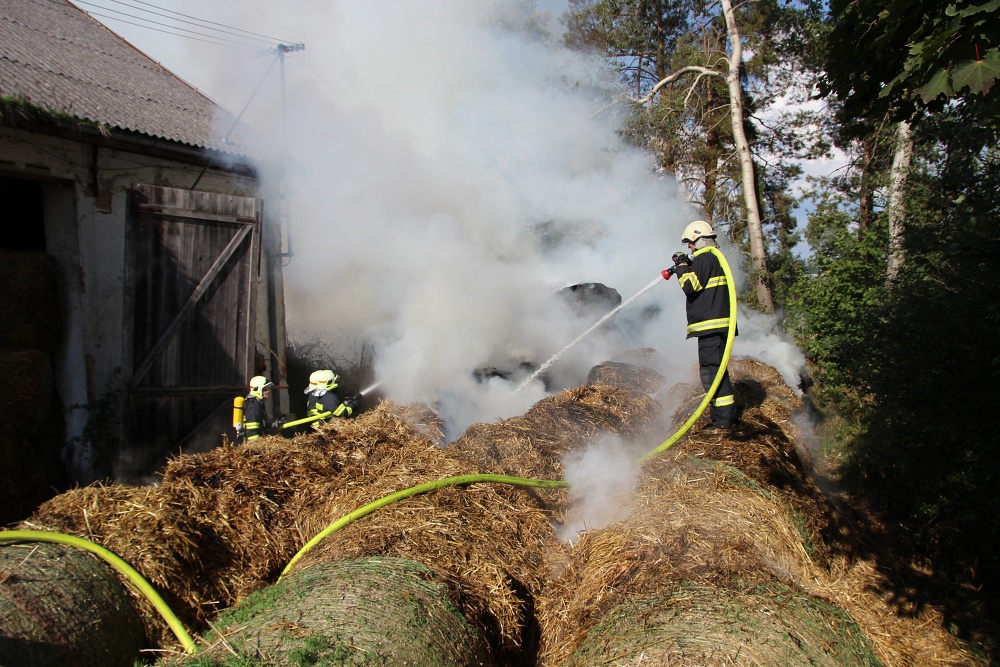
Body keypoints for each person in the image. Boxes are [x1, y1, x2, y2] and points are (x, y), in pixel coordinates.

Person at [665, 220, 738, 430]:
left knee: (713, 373)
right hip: (714, 327)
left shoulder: (706, 258)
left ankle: (725, 421)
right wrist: (686, 266)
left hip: (711, 327)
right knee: (712, 371)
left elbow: (690, 286)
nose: (689, 247)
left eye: (690, 242)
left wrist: (680, 266)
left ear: (698, 238)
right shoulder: (711, 260)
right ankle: (720, 416)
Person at [239, 375, 284, 442]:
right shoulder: (253, 405)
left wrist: (274, 424)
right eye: (265, 389)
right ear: (257, 389)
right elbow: (252, 431)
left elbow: (262, 425)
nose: (268, 391)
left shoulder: (257, 403)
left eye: (267, 389)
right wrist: (256, 447)